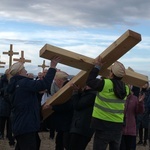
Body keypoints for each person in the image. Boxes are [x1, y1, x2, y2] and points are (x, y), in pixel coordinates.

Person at [7, 57, 61, 150]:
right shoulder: (23, 83)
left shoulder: (14, 84)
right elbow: (44, 84)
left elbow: (23, 98)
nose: (26, 71)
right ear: (20, 72)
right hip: (27, 124)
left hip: (20, 124)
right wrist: (52, 67)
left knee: (32, 143)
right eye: (24, 69)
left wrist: (35, 92)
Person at [86, 56, 130, 150]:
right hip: (117, 126)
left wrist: (97, 67)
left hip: (103, 125)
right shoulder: (126, 89)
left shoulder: (105, 84)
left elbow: (89, 81)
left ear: (111, 73)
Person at [43, 71, 73, 150]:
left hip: (67, 121)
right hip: (63, 122)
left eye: (55, 80)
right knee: (59, 142)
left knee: (65, 143)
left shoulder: (67, 88)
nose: (55, 82)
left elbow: (67, 106)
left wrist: (52, 108)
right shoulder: (65, 86)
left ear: (59, 80)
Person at [69, 84, 96, 150]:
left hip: (82, 127)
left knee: (75, 147)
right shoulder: (90, 94)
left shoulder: (92, 95)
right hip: (82, 126)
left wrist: (75, 92)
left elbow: (77, 106)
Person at [119, 86, 145, 150]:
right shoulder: (119, 97)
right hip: (120, 131)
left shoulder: (134, 98)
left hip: (131, 131)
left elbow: (140, 111)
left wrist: (140, 102)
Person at [0, 69, 15, 147]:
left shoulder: (12, 80)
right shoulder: (2, 80)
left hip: (10, 104)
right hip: (4, 102)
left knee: (10, 121)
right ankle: (1, 133)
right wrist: (5, 90)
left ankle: (9, 135)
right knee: (2, 120)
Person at [137, 82, 150, 146]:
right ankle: (140, 140)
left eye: (145, 84)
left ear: (147, 84)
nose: (144, 85)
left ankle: (145, 140)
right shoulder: (141, 92)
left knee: (146, 127)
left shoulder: (149, 92)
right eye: (143, 84)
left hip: (146, 111)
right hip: (140, 111)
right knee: (140, 126)